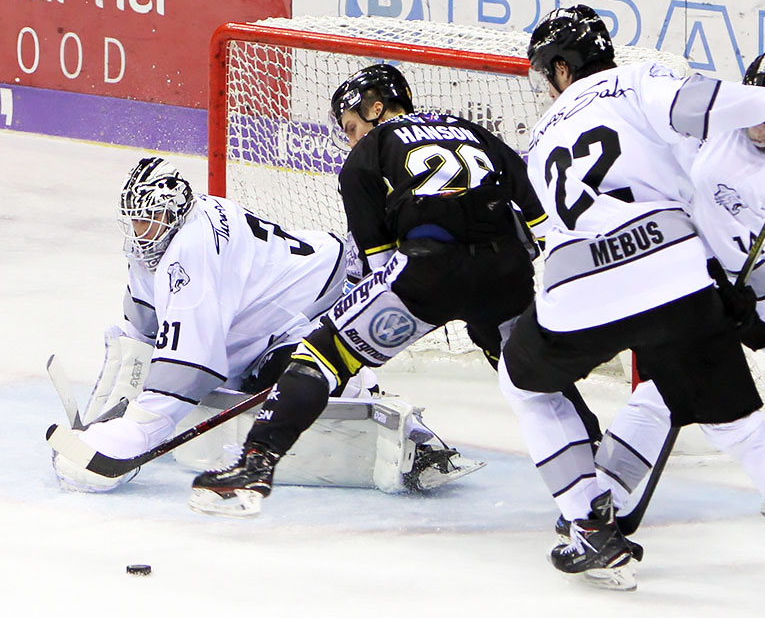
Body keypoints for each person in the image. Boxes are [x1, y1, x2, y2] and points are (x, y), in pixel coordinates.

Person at [497, 5, 765, 593]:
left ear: (562, 69)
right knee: (745, 429)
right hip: (676, 274)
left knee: (523, 382)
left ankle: (588, 520)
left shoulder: (543, 133)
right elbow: (700, 110)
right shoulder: (638, 80)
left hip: (579, 290)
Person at [188, 64, 598, 517]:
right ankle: (597, 458)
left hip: (428, 271)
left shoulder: (370, 151)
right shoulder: (472, 131)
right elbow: (540, 216)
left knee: (321, 356)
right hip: (507, 269)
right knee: (529, 374)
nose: (350, 138)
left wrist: (361, 326)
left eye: (350, 126)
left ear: (376, 107)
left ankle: (254, 466)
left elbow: (382, 264)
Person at [52, 157, 475, 497]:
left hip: (322, 299)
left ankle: (397, 423)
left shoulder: (191, 249)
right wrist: (104, 417)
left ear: (174, 212)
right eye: (134, 221)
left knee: (283, 383)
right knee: (248, 385)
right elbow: (141, 331)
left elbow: (192, 362)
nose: (141, 231)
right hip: (279, 311)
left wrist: (137, 432)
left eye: (150, 219)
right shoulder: (157, 241)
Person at [594, 28, 765, 524]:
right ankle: (601, 492)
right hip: (687, 269)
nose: (762, 128)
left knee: (689, 379)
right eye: (758, 115)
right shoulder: (719, 163)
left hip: (709, 264)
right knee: (678, 380)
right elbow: (741, 265)